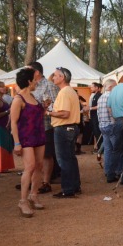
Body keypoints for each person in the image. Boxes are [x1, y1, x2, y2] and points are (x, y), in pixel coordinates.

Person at [10, 68, 46, 218]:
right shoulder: (18, 100)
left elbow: (37, 115)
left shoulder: (33, 97)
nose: (37, 82)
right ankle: (22, 201)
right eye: (35, 79)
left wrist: (45, 107)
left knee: (39, 166)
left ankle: (33, 195)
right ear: (29, 81)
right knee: (30, 167)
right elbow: (13, 123)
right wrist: (17, 143)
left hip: (39, 135)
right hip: (26, 138)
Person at [48, 67, 81, 198]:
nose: (53, 77)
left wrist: (48, 112)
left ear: (62, 77)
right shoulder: (70, 91)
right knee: (70, 159)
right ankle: (74, 186)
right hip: (70, 128)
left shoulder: (64, 92)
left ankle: (67, 189)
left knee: (64, 160)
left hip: (63, 128)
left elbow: (64, 113)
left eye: (55, 75)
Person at [30, 61, 60, 194]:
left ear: (36, 72)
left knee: (46, 155)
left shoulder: (50, 86)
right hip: (32, 126)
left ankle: (46, 182)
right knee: (34, 155)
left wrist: (43, 109)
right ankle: (33, 181)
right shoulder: (31, 86)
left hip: (46, 125)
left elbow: (56, 105)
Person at [0, 81, 15, 174]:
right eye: (1, 87)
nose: (4, 88)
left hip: (3, 125)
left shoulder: (2, 99)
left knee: (5, 145)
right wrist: (8, 111)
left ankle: (4, 166)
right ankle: (0, 167)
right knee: (0, 146)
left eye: (4, 86)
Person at [88, 82, 102, 152]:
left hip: (97, 118)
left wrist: (90, 108)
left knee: (98, 133)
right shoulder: (95, 95)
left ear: (97, 87)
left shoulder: (99, 95)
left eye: (92, 87)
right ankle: (98, 148)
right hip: (93, 118)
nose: (91, 88)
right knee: (96, 133)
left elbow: (99, 106)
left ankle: (100, 149)